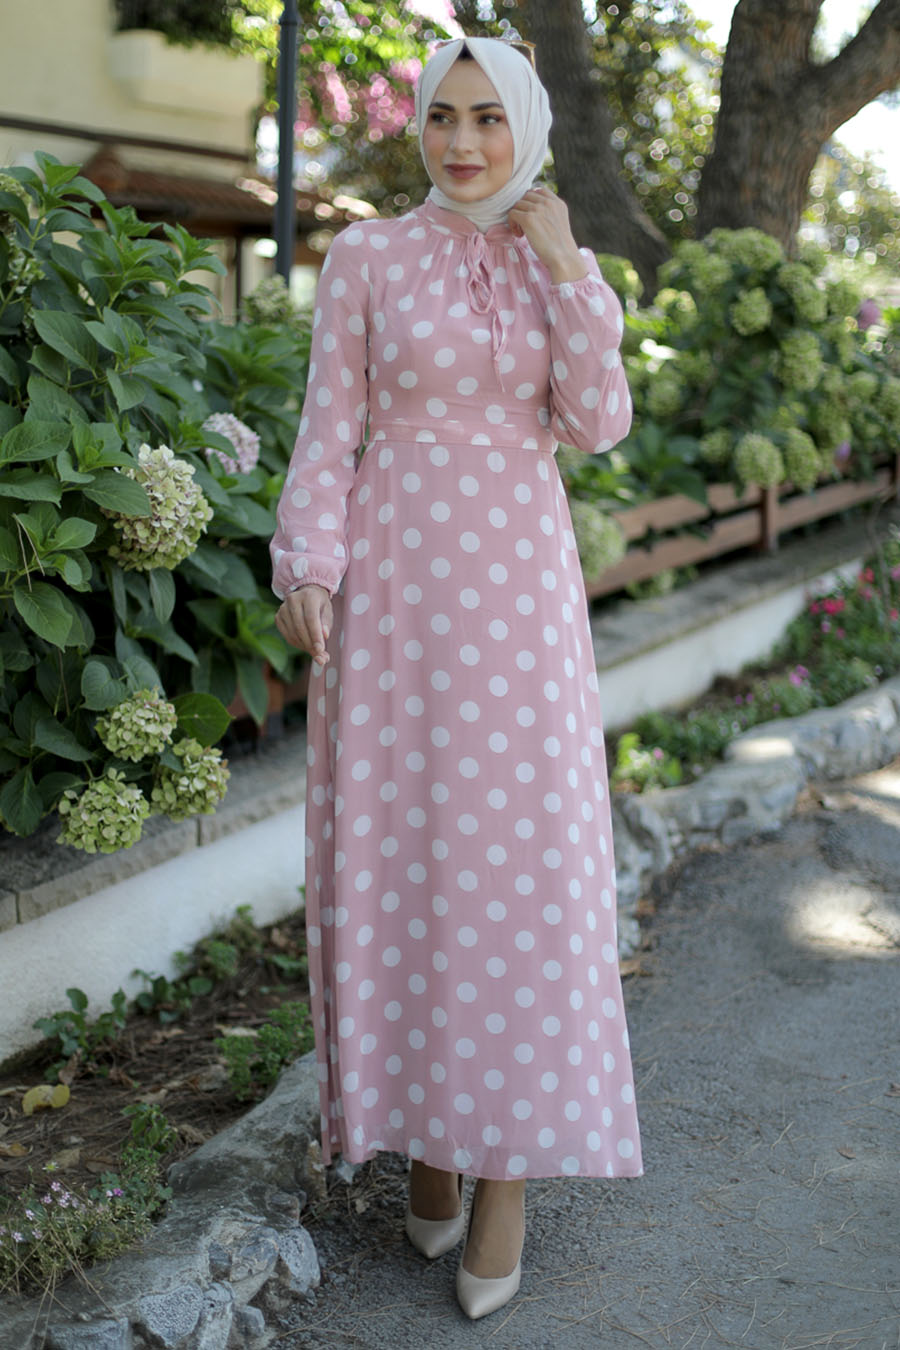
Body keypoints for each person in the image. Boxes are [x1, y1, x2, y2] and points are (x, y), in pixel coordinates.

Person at [270, 34, 643, 1321]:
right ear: (418, 128)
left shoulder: (555, 265)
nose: (466, 142)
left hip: (520, 609)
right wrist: (308, 560)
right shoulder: (370, 257)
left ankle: (503, 1175)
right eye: (444, 117)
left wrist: (568, 266)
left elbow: (598, 425)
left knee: (514, 868)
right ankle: (424, 1134)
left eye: (490, 118)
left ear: (526, 126)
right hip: (393, 601)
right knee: (408, 856)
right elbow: (331, 426)